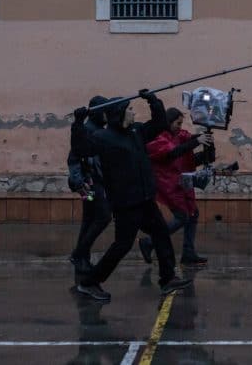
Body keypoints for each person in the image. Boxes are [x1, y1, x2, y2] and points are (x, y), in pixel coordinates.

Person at [71, 92, 191, 301]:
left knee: (161, 233)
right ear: (120, 114)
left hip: (145, 199)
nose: (134, 112)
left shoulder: (136, 132)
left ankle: (167, 278)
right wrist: (78, 123)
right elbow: (81, 148)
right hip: (126, 203)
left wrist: (153, 101)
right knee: (122, 245)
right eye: (130, 109)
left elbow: (160, 124)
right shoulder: (103, 138)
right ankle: (89, 283)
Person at [138, 108, 215, 267]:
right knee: (182, 217)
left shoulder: (179, 136)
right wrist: (197, 141)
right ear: (169, 122)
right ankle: (149, 242)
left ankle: (188, 253)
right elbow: (173, 153)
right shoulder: (159, 138)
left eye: (181, 123)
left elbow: (188, 152)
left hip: (181, 181)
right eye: (177, 123)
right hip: (167, 183)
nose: (180, 126)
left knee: (193, 213)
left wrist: (207, 143)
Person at [66, 95, 112, 282]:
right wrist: (79, 183)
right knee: (102, 217)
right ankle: (79, 254)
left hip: (96, 184)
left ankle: (81, 257)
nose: (106, 115)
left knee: (89, 219)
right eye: (103, 111)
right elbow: (74, 158)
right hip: (90, 186)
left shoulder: (101, 130)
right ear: (94, 113)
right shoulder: (86, 131)